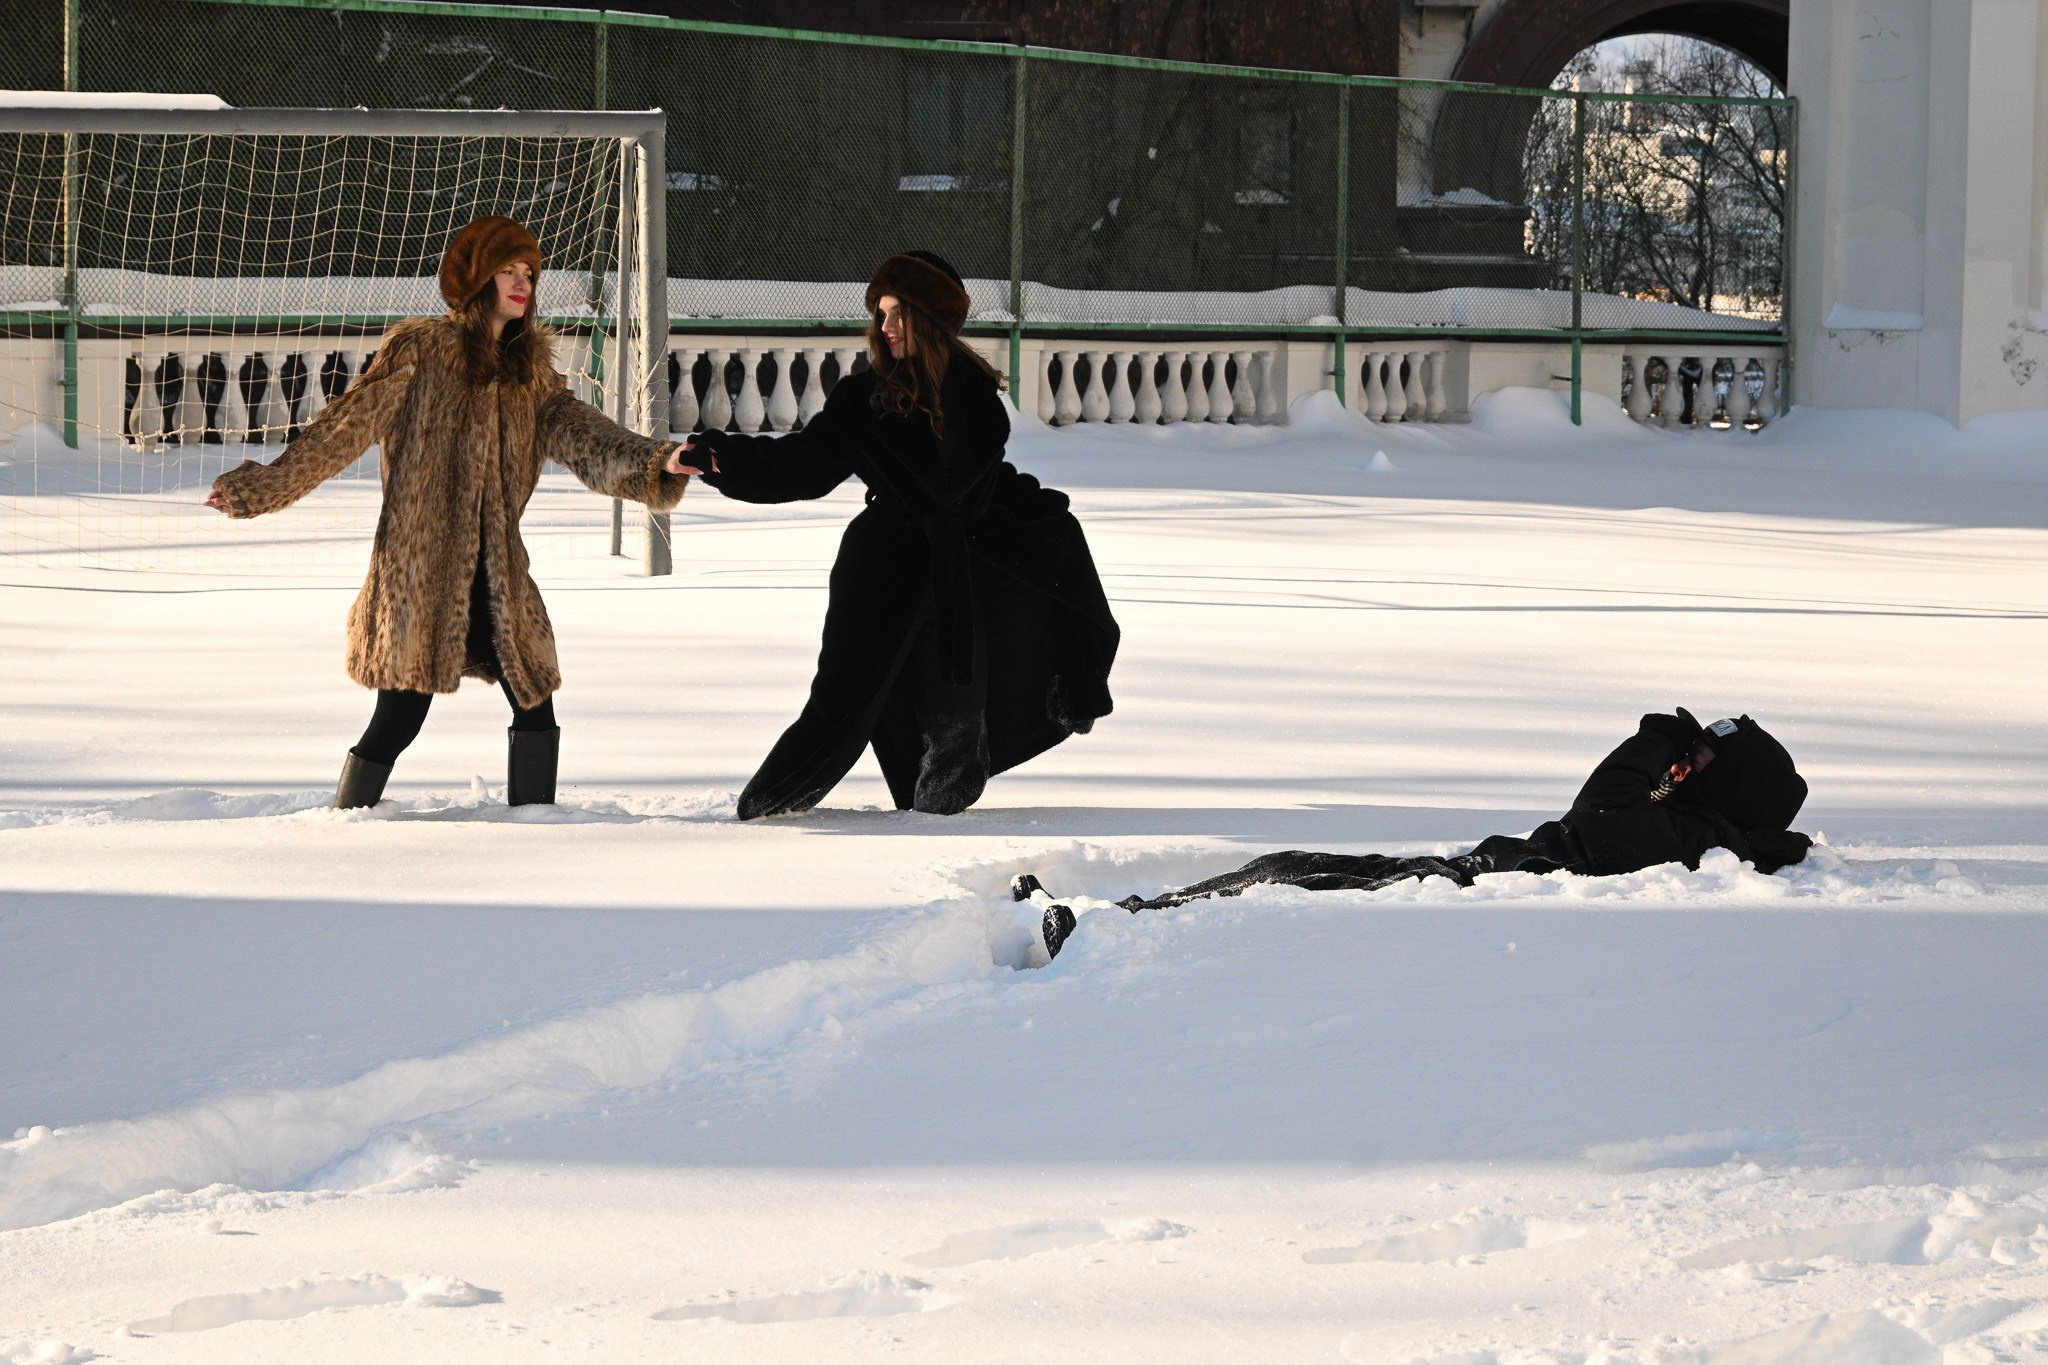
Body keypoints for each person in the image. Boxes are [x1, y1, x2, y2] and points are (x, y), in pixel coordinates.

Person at [205, 215, 688, 809]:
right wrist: (262, 489)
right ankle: (346, 821)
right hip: (419, 574)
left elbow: (587, 437)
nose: (522, 284)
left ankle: (537, 826)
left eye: (528, 273)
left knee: (536, 701)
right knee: (398, 720)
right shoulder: (421, 351)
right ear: (475, 279)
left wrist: (657, 462)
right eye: (507, 272)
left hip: (500, 577)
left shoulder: (529, 372)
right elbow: (344, 429)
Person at [667, 251, 1119, 818]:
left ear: (932, 319)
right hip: (883, 570)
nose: (885, 328)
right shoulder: (864, 397)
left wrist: (1037, 517)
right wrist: (719, 458)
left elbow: (977, 481)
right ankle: (766, 808)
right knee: (840, 703)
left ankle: (935, 828)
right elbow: (805, 463)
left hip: (959, 573)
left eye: (897, 313)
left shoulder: (976, 393)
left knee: (957, 719)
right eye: (880, 314)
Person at [1016, 709, 1813, 958]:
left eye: (1701, 755)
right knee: (1278, 866)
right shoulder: (1691, 826)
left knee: (1280, 880)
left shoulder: (1684, 835)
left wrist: (1654, 739)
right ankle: (1114, 916)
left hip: (1470, 886)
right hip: (1468, 871)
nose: (1683, 761)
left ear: (1728, 783)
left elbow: (1596, 817)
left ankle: (1098, 935)